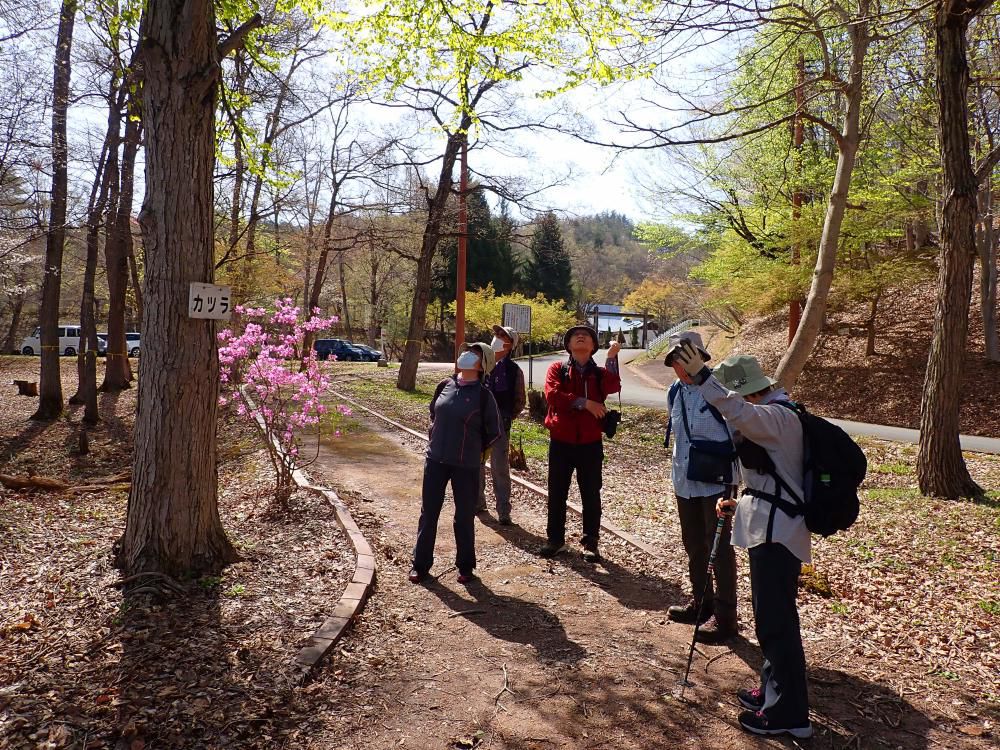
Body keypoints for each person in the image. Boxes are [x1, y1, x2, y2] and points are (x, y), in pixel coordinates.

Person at [668, 342, 813, 739]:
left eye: (734, 394)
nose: (729, 404)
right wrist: (740, 500)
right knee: (771, 618)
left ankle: (790, 715)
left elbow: (736, 412)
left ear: (748, 391)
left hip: (779, 533)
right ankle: (772, 690)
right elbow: (769, 475)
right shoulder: (775, 413)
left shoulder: (777, 416)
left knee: (777, 622)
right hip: (768, 525)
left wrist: (703, 379)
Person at [663, 331, 739, 644]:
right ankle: (701, 604)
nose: (679, 366)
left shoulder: (720, 387)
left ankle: (726, 620)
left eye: (684, 358)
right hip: (685, 479)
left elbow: (739, 423)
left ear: (700, 357)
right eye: (674, 360)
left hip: (717, 482)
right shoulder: (674, 391)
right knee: (694, 544)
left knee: (719, 549)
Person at [410, 342, 503, 585]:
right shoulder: (445, 385)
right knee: (428, 513)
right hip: (435, 460)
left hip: (466, 466)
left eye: (474, 353)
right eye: (466, 351)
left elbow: (493, 432)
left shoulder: (484, 396)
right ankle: (420, 565)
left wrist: (474, 452)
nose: (466, 354)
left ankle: (465, 566)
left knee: (463, 516)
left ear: (482, 365)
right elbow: (434, 413)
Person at [540, 324, 621, 562]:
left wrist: (611, 358)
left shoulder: (598, 373)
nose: (581, 337)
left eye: (586, 336)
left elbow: (613, 385)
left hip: (590, 443)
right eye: (575, 335)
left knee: (591, 494)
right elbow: (552, 395)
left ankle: (590, 542)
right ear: (568, 345)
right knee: (557, 492)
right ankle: (555, 540)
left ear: (593, 346)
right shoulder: (558, 368)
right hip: (561, 441)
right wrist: (584, 403)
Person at [477, 325, 527, 524]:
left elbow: (519, 400)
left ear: (510, 344)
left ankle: (504, 510)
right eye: (496, 334)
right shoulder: (480, 364)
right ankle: (478, 503)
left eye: (503, 336)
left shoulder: (514, 371)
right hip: (477, 422)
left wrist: (506, 417)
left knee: (499, 466)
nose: (497, 338)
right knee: (476, 464)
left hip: (501, 424)